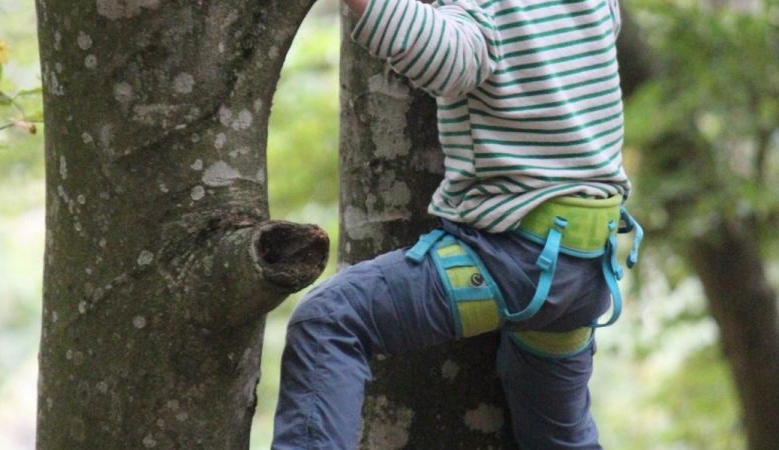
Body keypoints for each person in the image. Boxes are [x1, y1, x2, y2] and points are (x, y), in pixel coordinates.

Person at [272, 0, 642, 448]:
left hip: (515, 258)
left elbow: (450, 59)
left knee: (330, 318)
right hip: (588, 263)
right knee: (557, 433)